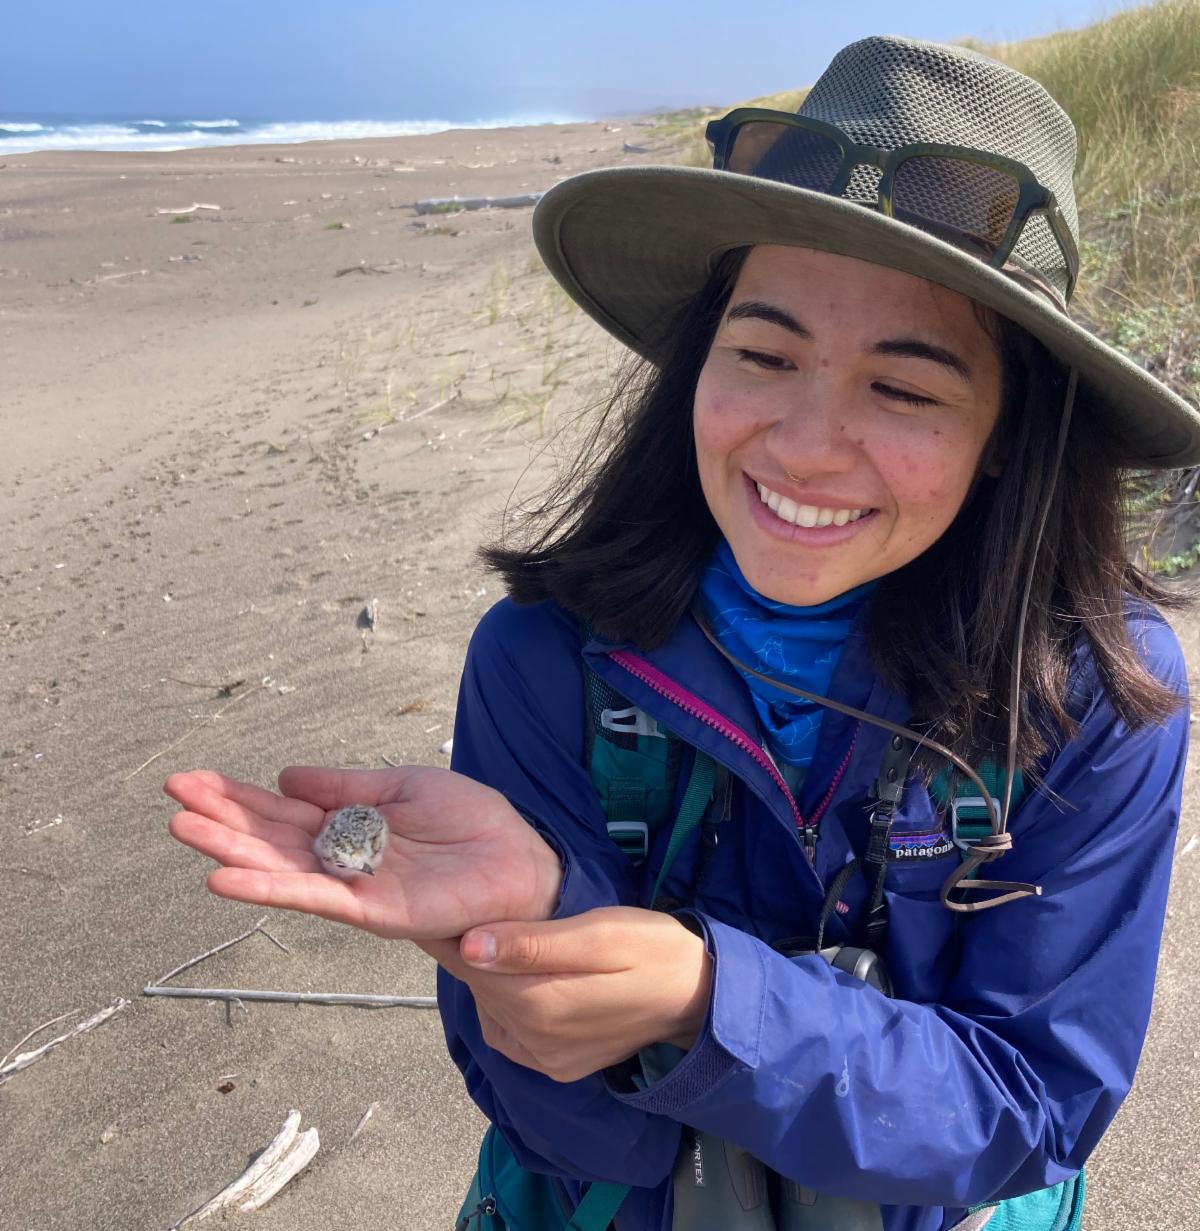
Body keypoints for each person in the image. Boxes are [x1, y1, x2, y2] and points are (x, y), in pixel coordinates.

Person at [164, 33, 1200, 1231]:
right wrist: (538, 941)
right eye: (763, 353)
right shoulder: (540, 661)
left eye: (904, 386)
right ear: (697, 362)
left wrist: (709, 1001)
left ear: (1011, 431)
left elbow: (1033, 1106)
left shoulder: (1090, 699)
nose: (807, 444)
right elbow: (556, 1129)